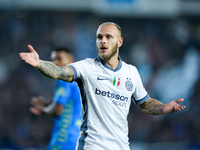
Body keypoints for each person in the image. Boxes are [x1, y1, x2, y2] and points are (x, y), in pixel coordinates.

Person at [20, 22, 185, 150]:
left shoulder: (131, 72)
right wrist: (39, 63)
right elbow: (58, 72)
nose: (103, 41)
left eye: (108, 37)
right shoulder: (87, 67)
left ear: (119, 42)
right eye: (99, 37)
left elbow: (145, 103)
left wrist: (164, 108)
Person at [29, 47, 82, 150]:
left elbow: (57, 110)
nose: (55, 62)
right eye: (53, 59)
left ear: (71, 60)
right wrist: (46, 106)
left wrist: (43, 109)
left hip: (64, 139)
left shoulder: (65, 80)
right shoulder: (79, 80)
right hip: (77, 139)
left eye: (59, 59)